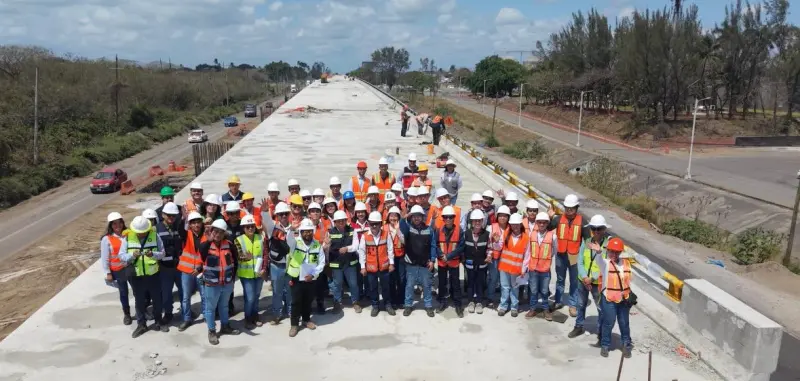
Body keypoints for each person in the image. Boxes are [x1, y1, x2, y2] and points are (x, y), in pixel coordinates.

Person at [121, 216, 167, 338]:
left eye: (143, 232)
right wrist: (132, 256)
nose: (141, 235)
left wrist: (153, 254)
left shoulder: (155, 236)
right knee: (139, 301)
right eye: (139, 233)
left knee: (157, 299)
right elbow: (121, 256)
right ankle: (141, 325)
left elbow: (162, 253)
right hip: (137, 276)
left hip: (153, 275)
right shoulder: (127, 238)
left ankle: (158, 321)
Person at [570, 214, 613, 340]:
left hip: (598, 282)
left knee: (601, 308)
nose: (596, 231)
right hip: (582, 280)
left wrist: (592, 278)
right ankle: (578, 326)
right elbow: (580, 260)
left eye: (599, 229)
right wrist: (584, 277)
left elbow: (605, 265)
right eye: (593, 229)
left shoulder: (608, 246)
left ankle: (601, 331)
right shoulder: (586, 242)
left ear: (604, 229)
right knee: (580, 304)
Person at [199, 219, 241, 345]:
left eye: (220, 232)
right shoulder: (205, 245)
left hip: (227, 282)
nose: (217, 234)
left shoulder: (229, 244)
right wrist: (209, 240)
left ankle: (225, 326)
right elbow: (201, 252)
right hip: (212, 284)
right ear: (211, 232)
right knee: (210, 308)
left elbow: (235, 261)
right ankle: (211, 331)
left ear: (224, 233)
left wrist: (232, 279)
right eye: (215, 231)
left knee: (224, 306)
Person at [547, 194, 590, 317]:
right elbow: (548, 228)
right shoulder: (558, 219)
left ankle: (572, 305)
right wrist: (550, 217)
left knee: (574, 282)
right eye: (567, 208)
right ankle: (558, 301)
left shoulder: (582, 222)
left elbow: (587, 242)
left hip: (575, 257)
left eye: (571, 209)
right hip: (561, 254)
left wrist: (585, 259)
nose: (569, 211)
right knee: (560, 280)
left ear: (576, 208)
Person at [287, 218, 326, 337]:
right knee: (296, 302)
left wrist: (313, 275)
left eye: (309, 231)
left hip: (310, 279)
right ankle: (294, 325)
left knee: (308, 301)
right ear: (301, 232)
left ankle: (306, 320)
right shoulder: (295, 242)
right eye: (304, 231)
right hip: (296, 278)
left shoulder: (317, 245)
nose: (307, 233)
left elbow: (321, 263)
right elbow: (288, 239)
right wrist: (292, 229)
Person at [598, 237, 634, 358]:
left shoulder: (626, 264)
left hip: (624, 300)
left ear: (620, 252)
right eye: (611, 251)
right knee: (609, 322)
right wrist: (598, 252)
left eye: (616, 251)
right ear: (607, 251)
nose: (613, 254)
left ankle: (626, 345)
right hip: (609, 299)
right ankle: (605, 345)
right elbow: (599, 261)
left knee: (624, 323)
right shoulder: (606, 264)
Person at [399, 205, 437, 317]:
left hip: (425, 263)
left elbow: (433, 246)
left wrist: (433, 260)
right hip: (411, 264)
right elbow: (402, 228)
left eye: (419, 216)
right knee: (409, 286)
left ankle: (428, 305)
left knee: (427, 285)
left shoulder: (429, 229)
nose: (417, 218)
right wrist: (403, 218)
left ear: (423, 217)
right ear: (411, 217)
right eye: (414, 216)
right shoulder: (408, 228)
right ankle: (408, 305)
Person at [359, 212, 395, 316]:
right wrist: (362, 267)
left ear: (381, 224)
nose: (374, 226)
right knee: (373, 288)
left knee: (385, 287)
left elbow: (390, 249)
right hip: (371, 268)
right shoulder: (365, 236)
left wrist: (391, 263)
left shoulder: (386, 234)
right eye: (372, 223)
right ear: (369, 224)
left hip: (384, 267)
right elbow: (362, 252)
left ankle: (388, 304)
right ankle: (375, 306)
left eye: (377, 224)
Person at [263, 202, 295, 325]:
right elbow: (267, 222)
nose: (283, 216)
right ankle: (277, 314)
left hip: (290, 266)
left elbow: (294, 247)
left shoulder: (294, 228)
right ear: (277, 215)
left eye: (285, 214)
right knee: (277, 292)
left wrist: (292, 231)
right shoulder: (273, 228)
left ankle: (291, 312)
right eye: (280, 214)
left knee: (290, 291)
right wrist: (265, 212)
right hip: (276, 266)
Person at [155, 202, 185, 324]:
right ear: (163, 215)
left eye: (173, 216)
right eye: (169, 215)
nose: (171, 218)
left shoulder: (177, 227)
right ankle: (168, 314)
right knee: (166, 293)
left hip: (178, 266)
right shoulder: (156, 229)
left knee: (183, 291)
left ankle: (185, 311)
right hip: (164, 268)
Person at [326, 210, 361, 313]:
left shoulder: (352, 230)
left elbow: (356, 245)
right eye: (338, 221)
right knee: (337, 284)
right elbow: (325, 247)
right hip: (336, 264)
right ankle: (337, 303)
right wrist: (326, 245)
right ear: (335, 222)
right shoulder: (330, 232)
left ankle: (355, 302)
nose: (341, 223)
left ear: (346, 220)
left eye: (343, 220)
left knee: (353, 284)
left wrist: (347, 248)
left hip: (350, 263)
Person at [234, 215, 266, 330]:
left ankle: (255, 316)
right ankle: (248, 318)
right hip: (246, 275)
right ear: (243, 228)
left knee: (256, 296)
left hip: (259, 274)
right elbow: (238, 256)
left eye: (252, 226)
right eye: (248, 227)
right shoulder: (238, 240)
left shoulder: (260, 238)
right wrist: (245, 258)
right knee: (250, 298)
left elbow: (265, 254)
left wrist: (264, 269)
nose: (250, 228)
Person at [101, 212, 133, 325]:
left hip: (130, 267)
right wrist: (107, 273)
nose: (117, 226)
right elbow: (105, 257)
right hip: (118, 270)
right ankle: (127, 314)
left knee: (138, 290)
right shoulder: (107, 239)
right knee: (123, 292)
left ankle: (142, 310)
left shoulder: (129, 234)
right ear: (110, 226)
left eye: (119, 223)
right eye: (114, 224)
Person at [176, 212, 206, 332]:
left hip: (200, 271)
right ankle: (187, 319)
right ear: (190, 225)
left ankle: (206, 316)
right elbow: (179, 229)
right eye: (193, 223)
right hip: (186, 271)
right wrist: (183, 218)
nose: (196, 225)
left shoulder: (206, 235)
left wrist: (200, 268)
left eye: (198, 222)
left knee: (204, 295)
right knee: (186, 297)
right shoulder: (186, 234)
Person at [524, 212, 557, 321]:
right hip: (533, 268)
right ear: (537, 223)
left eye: (544, 222)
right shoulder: (532, 235)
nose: (542, 224)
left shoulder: (553, 236)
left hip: (545, 269)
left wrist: (546, 258)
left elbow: (554, 250)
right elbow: (528, 250)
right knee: (533, 290)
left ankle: (545, 309)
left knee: (544, 291)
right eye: (539, 222)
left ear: (547, 223)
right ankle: (532, 309)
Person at [435, 206, 465, 317]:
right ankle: (442, 302)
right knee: (442, 283)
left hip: (453, 262)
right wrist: (441, 255)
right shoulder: (439, 230)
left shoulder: (459, 230)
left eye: (450, 217)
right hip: (442, 262)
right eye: (446, 217)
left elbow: (461, 247)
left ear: (454, 218)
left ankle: (458, 305)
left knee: (456, 284)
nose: (448, 219)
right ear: (443, 218)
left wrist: (449, 256)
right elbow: (436, 245)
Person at [497, 213, 528, 317]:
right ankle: (503, 306)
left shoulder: (525, 238)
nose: (515, 226)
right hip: (504, 267)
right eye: (513, 224)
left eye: (517, 224)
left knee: (514, 288)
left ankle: (514, 307)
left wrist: (524, 269)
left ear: (520, 224)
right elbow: (498, 247)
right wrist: (496, 242)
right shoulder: (506, 234)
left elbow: (527, 255)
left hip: (516, 269)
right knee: (505, 287)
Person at [463, 210, 490, 314]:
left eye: (479, 221)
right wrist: (463, 259)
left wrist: (489, 256)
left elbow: (489, 248)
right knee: (470, 283)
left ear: (482, 221)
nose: (477, 223)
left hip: (482, 264)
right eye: (475, 221)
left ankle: (479, 302)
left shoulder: (486, 234)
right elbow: (463, 248)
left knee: (480, 283)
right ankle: (471, 302)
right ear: (471, 222)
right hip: (469, 264)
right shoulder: (466, 233)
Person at [487, 205, 511, 309]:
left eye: (505, 216)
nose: (502, 218)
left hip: (506, 259)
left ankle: (504, 299)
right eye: (500, 216)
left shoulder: (511, 229)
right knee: (493, 278)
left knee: (505, 281)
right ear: (497, 217)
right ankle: (490, 298)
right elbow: (487, 244)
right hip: (494, 258)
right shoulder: (491, 227)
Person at [385, 206, 406, 309]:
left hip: (400, 257)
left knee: (401, 279)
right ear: (388, 217)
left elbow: (405, 242)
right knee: (391, 280)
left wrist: (398, 230)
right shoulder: (384, 228)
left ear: (398, 217)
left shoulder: (402, 227)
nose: (393, 218)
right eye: (391, 216)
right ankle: (393, 300)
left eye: (395, 216)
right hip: (389, 258)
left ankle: (401, 300)